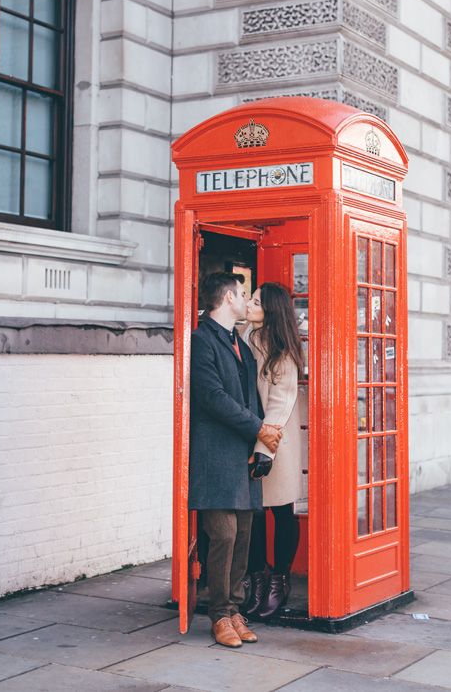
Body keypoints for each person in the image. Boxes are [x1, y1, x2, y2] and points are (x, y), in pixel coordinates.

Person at [189, 272, 282, 648]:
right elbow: (212, 396)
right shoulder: (202, 340)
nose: (246, 300)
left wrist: (264, 439)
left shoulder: (238, 342)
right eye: (243, 294)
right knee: (223, 535)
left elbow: (250, 396)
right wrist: (259, 428)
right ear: (228, 298)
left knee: (243, 533)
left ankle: (234, 610)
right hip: (214, 454)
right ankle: (218, 615)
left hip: (241, 452)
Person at [241, 282, 304, 619]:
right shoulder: (248, 336)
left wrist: (266, 446)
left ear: (271, 310)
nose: (248, 305)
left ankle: (279, 580)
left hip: (276, 439)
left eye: (255, 301)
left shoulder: (281, 349)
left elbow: (281, 401)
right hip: (252, 433)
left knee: (280, 510)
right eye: (248, 299)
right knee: (252, 513)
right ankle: (258, 580)